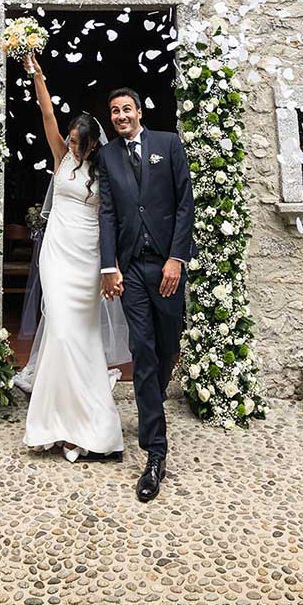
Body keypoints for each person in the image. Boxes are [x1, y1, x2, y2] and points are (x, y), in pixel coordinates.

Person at [12, 53, 128, 461]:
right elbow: (45, 112)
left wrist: (108, 266)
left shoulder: (107, 168)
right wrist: (38, 76)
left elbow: (114, 215)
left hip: (88, 257)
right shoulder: (61, 157)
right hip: (58, 254)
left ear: (93, 144)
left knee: (84, 338)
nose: (73, 147)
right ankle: (53, 422)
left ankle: (88, 425)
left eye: (79, 144)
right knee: (59, 331)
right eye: (71, 141)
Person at [96, 86, 195, 503]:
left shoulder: (168, 144)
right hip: (132, 267)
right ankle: (155, 452)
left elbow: (185, 202)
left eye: (126, 109)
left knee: (167, 345)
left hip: (166, 265)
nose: (120, 116)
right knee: (142, 350)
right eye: (114, 111)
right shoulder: (107, 156)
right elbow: (108, 211)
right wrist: (109, 265)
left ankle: (153, 393)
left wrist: (177, 258)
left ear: (140, 110)